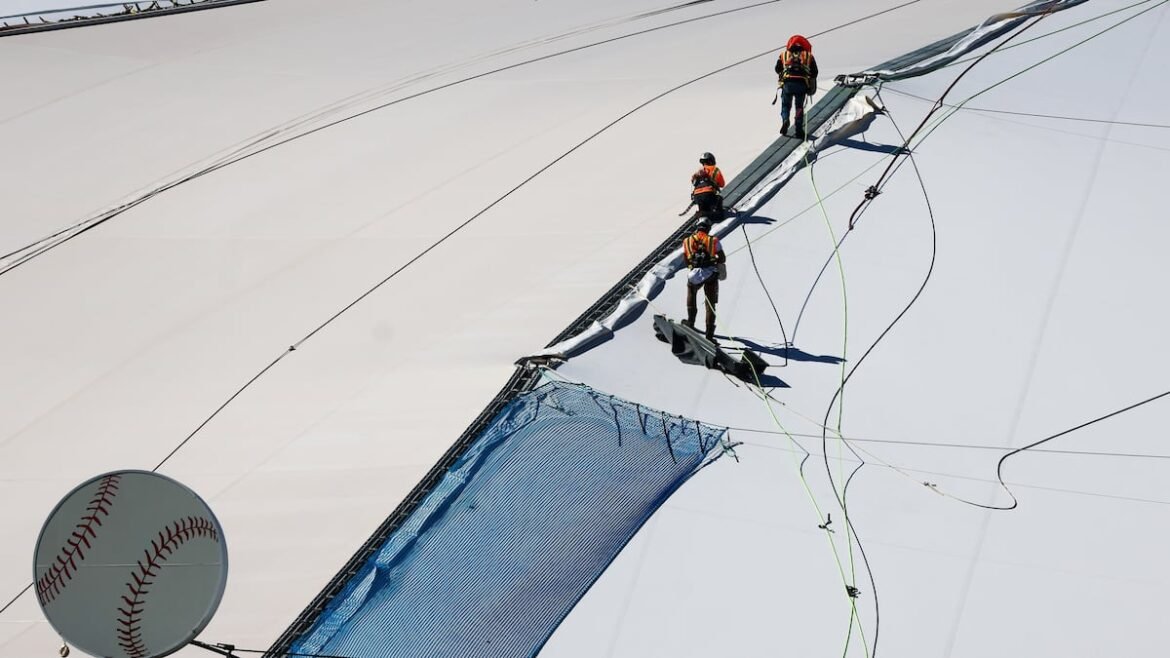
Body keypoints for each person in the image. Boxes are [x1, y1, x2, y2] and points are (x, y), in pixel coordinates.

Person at [682, 218, 726, 342]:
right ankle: (709, 335)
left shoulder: (687, 241)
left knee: (691, 292)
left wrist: (692, 266)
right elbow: (722, 259)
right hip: (711, 273)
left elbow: (686, 260)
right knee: (710, 303)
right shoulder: (713, 240)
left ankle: (690, 322)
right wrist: (713, 261)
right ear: (708, 229)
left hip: (694, 274)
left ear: (697, 228)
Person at [774, 35, 819, 139]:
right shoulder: (808, 55)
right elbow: (815, 72)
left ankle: (785, 120)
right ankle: (798, 130)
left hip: (787, 84)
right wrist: (810, 84)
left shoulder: (783, 54)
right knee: (799, 107)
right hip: (802, 84)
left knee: (785, 105)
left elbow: (777, 69)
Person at [690, 152, 726, 222]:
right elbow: (722, 184)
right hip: (708, 194)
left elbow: (693, 182)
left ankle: (701, 215)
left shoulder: (699, 172)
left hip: (697, 196)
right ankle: (713, 215)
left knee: (704, 209)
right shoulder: (715, 169)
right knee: (719, 200)